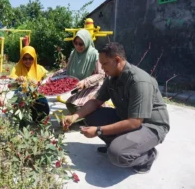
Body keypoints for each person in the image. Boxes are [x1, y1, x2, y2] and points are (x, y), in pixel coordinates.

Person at [63, 42, 170, 173]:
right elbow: (96, 101)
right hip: (127, 117)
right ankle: (119, 143)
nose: (102, 68)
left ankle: (147, 156)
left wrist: (98, 130)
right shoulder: (112, 77)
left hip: (151, 126)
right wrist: (75, 116)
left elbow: (135, 122)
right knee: (90, 115)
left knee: (117, 155)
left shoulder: (139, 81)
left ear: (117, 60)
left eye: (105, 64)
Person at [52, 29, 105, 114]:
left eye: (81, 44)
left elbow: (101, 74)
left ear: (87, 42)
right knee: (70, 104)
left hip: (93, 86)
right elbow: (67, 70)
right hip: (80, 87)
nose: (78, 46)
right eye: (75, 43)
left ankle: (98, 113)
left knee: (82, 106)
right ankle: (88, 116)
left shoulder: (94, 54)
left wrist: (85, 82)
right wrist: (55, 75)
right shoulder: (74, 53)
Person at [10, 46, 50, 126]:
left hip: (37, 97)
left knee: (43, 113)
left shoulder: (40, 69)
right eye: (25, 58)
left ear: (34, 58)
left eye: (30, 58)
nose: (28, 61)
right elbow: (11, 87)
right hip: (23, 98)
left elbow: (48, 79)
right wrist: (17, 80)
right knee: (22, 121)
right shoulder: (17, 69)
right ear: (21, 58)